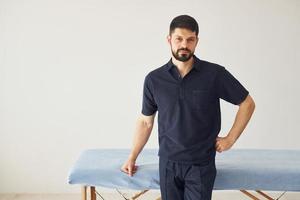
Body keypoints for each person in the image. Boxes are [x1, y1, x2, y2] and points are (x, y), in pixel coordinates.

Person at [121, 14, 255, 200]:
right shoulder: (154, 79)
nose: (184, 45)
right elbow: (146, 122)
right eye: (179, 39)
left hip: (200, 164)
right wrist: (132, 157)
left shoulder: (214, 74)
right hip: (168, 163)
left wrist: (230, 139)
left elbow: (247, 103)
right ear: (169, 40)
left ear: (196, 41)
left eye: (190, 40)